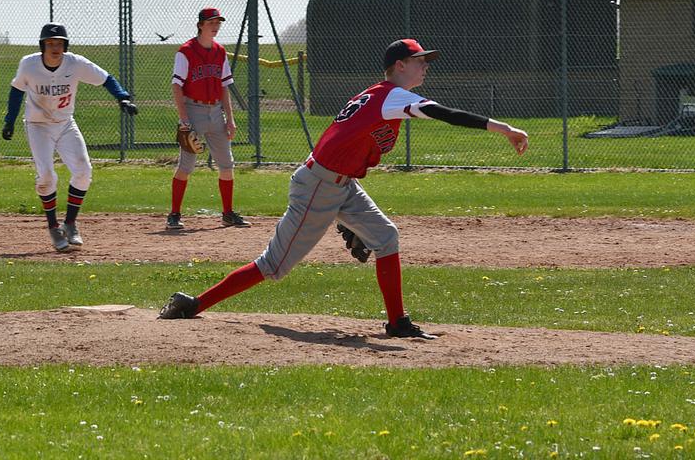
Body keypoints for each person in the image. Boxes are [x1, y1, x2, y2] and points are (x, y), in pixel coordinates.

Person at [158, 38, 529, 338]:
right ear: (399, 66)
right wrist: (504, 129)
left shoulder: (382, 95)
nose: (425, 65)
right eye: (419, 60)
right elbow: (445, 114)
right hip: (319, 186)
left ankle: (398, 322)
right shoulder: (392, 95)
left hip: (339, 183)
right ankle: (192, 304)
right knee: (273, 266)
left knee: (386, 236)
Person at [2, 23, 138, 252]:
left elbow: (106, 78)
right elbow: (17, 90)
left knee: (84, 171)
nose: (55, 47)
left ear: (65, 46)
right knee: (46, 175)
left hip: (65, 124)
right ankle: (54, 227)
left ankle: (70, 223)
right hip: (38, 126)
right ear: (42, 45)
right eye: (50, 43)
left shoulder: (75, 63)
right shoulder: (29, 64)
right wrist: (9, 120)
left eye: (59, 43)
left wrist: (122, 97)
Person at [165, 7, 250, 230]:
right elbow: (176, 86)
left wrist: (230, 119)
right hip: (193, 110)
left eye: (218, 22)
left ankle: (228, 213)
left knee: (227, 165)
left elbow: (224, 87)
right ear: (201, 24)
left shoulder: (220, 51)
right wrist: (184, 119)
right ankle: (174, 214)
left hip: (216, 112)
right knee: (186, 166)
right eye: (212, 22)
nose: (216, 26)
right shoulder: (186, 51)